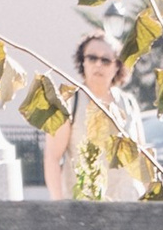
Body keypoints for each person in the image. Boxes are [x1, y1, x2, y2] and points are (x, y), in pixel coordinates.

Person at [44, 30, 145, 201]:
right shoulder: (69, 102)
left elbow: (142, 156)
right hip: (83, 205)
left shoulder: (128, 104)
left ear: (117, 66)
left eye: (105, 60)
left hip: (128, 205)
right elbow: (52, 158)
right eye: (92, 58)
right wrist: (58, 205)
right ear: (82, 61)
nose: (98, 64)